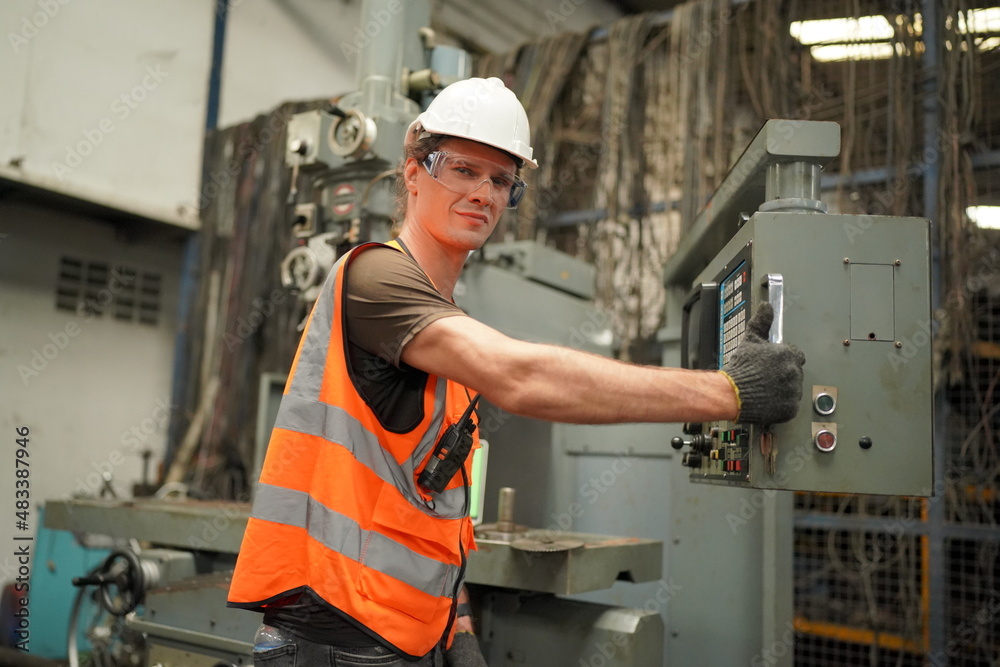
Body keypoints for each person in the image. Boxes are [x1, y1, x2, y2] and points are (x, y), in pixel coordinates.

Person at [227, 77, 805, 666]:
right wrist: (730, 391)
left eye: (501, 180)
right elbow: (521, 377)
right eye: (462, 169)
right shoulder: (374, 278)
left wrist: (458, 627)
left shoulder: (444, 335)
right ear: (413, 173)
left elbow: (428, 507)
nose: (483, 192)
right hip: (336, 637)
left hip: (398, 634)